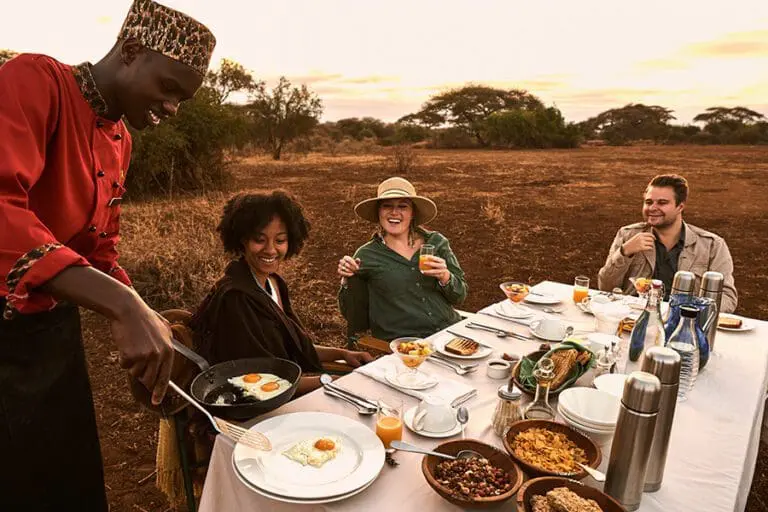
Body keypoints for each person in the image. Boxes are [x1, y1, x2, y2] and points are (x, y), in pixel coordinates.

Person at [0, 1, 216, 508]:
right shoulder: (35, 81)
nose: (172, 109)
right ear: (131, 50)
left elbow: (97, 252)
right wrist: (122, 307)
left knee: (65, 475)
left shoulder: (119, 139)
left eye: (182, 100)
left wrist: (147, 313)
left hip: (51, 338)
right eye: (168, 89)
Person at [190, 191, 373, 396]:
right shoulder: (237, 298)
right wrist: (331, 381)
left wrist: (343, 354)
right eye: (259, 239)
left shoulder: (273, 282)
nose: (270, 250)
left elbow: (294, 345)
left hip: (289, 384)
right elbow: (259, 382)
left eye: (280, 240)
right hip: (257, 403)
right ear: (242, 239)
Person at [338, 177, 468, 341]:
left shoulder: (436, 242)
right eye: (387, 206)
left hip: (449, 332)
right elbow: (354, 316)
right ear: (378, 212)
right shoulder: (366, 255)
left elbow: (460, 296)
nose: (394, 212)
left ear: (413, 213)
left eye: (402, 206)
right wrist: (346, 280)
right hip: (405, 343)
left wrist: (445, 277)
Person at [597, 174, 737, 312]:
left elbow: (727, 298)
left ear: (680, 207)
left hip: (686, 325)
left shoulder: (712, 246)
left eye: (662, 203)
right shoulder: (628, 235)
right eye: (649, 202)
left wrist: (693, 311)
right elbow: (605, 287)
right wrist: (624, 252)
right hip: (632, 321)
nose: (652, 208)